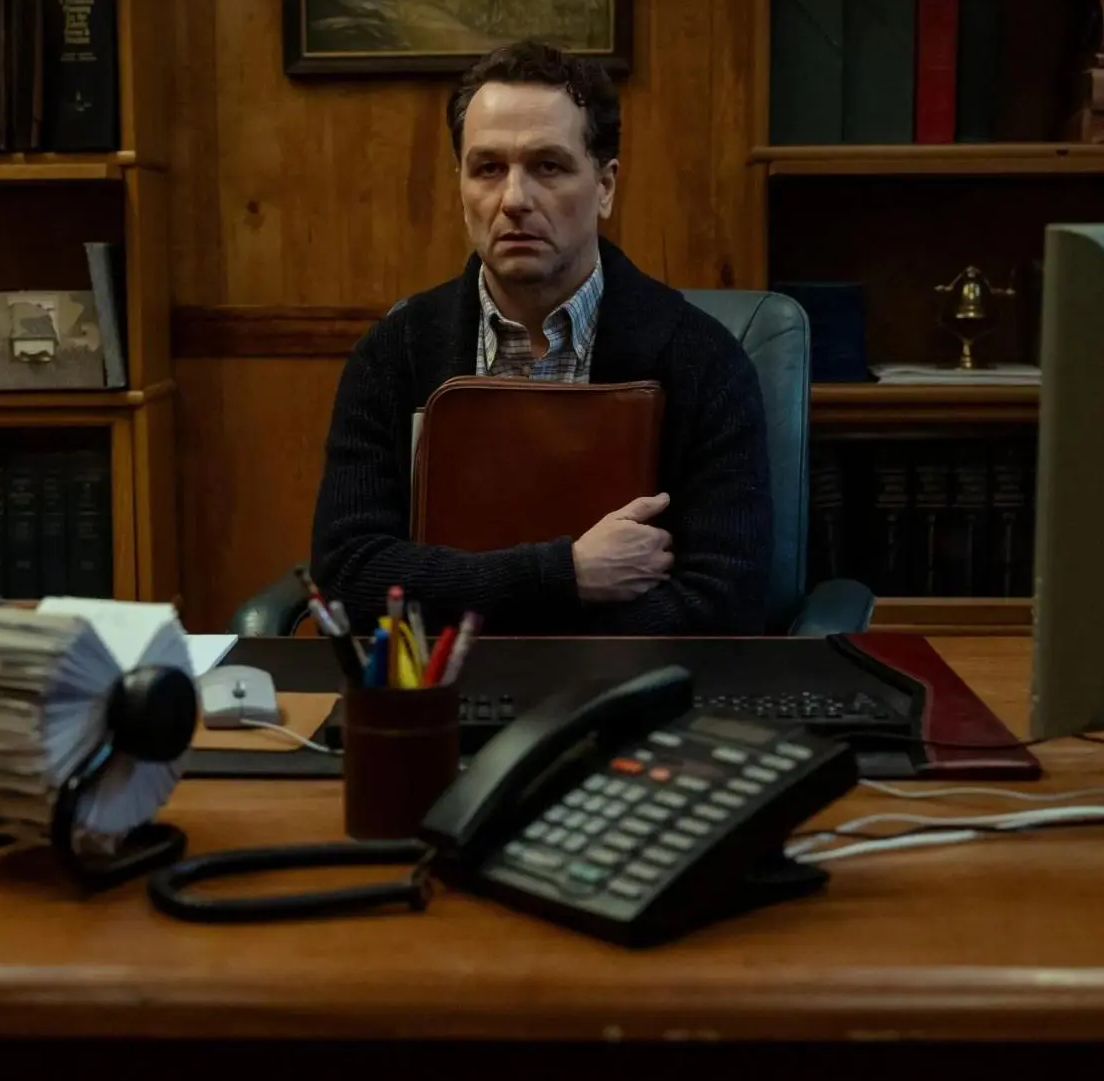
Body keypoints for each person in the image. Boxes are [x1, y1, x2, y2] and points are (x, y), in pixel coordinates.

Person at [309, 40, 772, 635]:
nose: (514, 200)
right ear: (460, 186)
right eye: (488, 169)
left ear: (605, 186)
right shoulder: (394, 353)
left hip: (628, 684)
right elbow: (348, 575)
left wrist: (511, 627)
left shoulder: (704, 359)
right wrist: (565, 575)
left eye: (548, 166)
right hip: (441, 685)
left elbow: (728, 599)